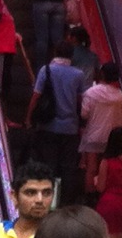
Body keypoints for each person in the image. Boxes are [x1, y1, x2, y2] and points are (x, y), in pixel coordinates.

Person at [28, 41, 90, 204]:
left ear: (55, 52)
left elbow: (36, 96)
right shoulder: (78, 74)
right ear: (71, 55)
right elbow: (81, 100)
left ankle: (49, 202)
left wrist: (29, 118)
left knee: (49, 166)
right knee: (68, 168)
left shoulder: (46, 70)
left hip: (48, 126)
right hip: (70, 128)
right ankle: (66, 203)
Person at [78, 63, 122, 194]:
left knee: (91, 169)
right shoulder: (119, 96)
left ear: (102, 74)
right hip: (111, 138)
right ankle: (102, 194)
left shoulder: (91, 93)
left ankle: (89, 196)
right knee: (106, 168)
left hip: (93, 135)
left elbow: (84, 114)